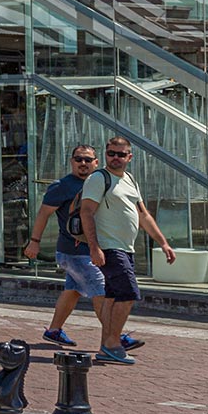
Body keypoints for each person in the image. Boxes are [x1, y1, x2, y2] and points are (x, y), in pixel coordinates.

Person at [80, 136, 177, 365]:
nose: (115, 158)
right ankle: (113, 344)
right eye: (111, 153)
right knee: (129, 293)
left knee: (113, 297)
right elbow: (86, 212)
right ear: (105, 154)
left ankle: (106, 345)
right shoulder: (98, 179)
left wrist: (163, 242)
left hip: (126, 247)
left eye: (120, 154)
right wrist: (94, 248)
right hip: (110, 247)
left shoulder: (130, 179)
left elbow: (143, 214)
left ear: (129, 157)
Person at [26, 145, 112, 349]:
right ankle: (113, 338)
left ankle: (54, 330)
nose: (83, 163)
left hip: (86, 251)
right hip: (75, 253)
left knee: (73, 290)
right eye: (79, 159)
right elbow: (43, 214)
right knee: (102, 290)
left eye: (88, 160)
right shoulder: (62, 186)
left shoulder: (98, 183)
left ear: (96, 162)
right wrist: (34, 241)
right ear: (72, 161)